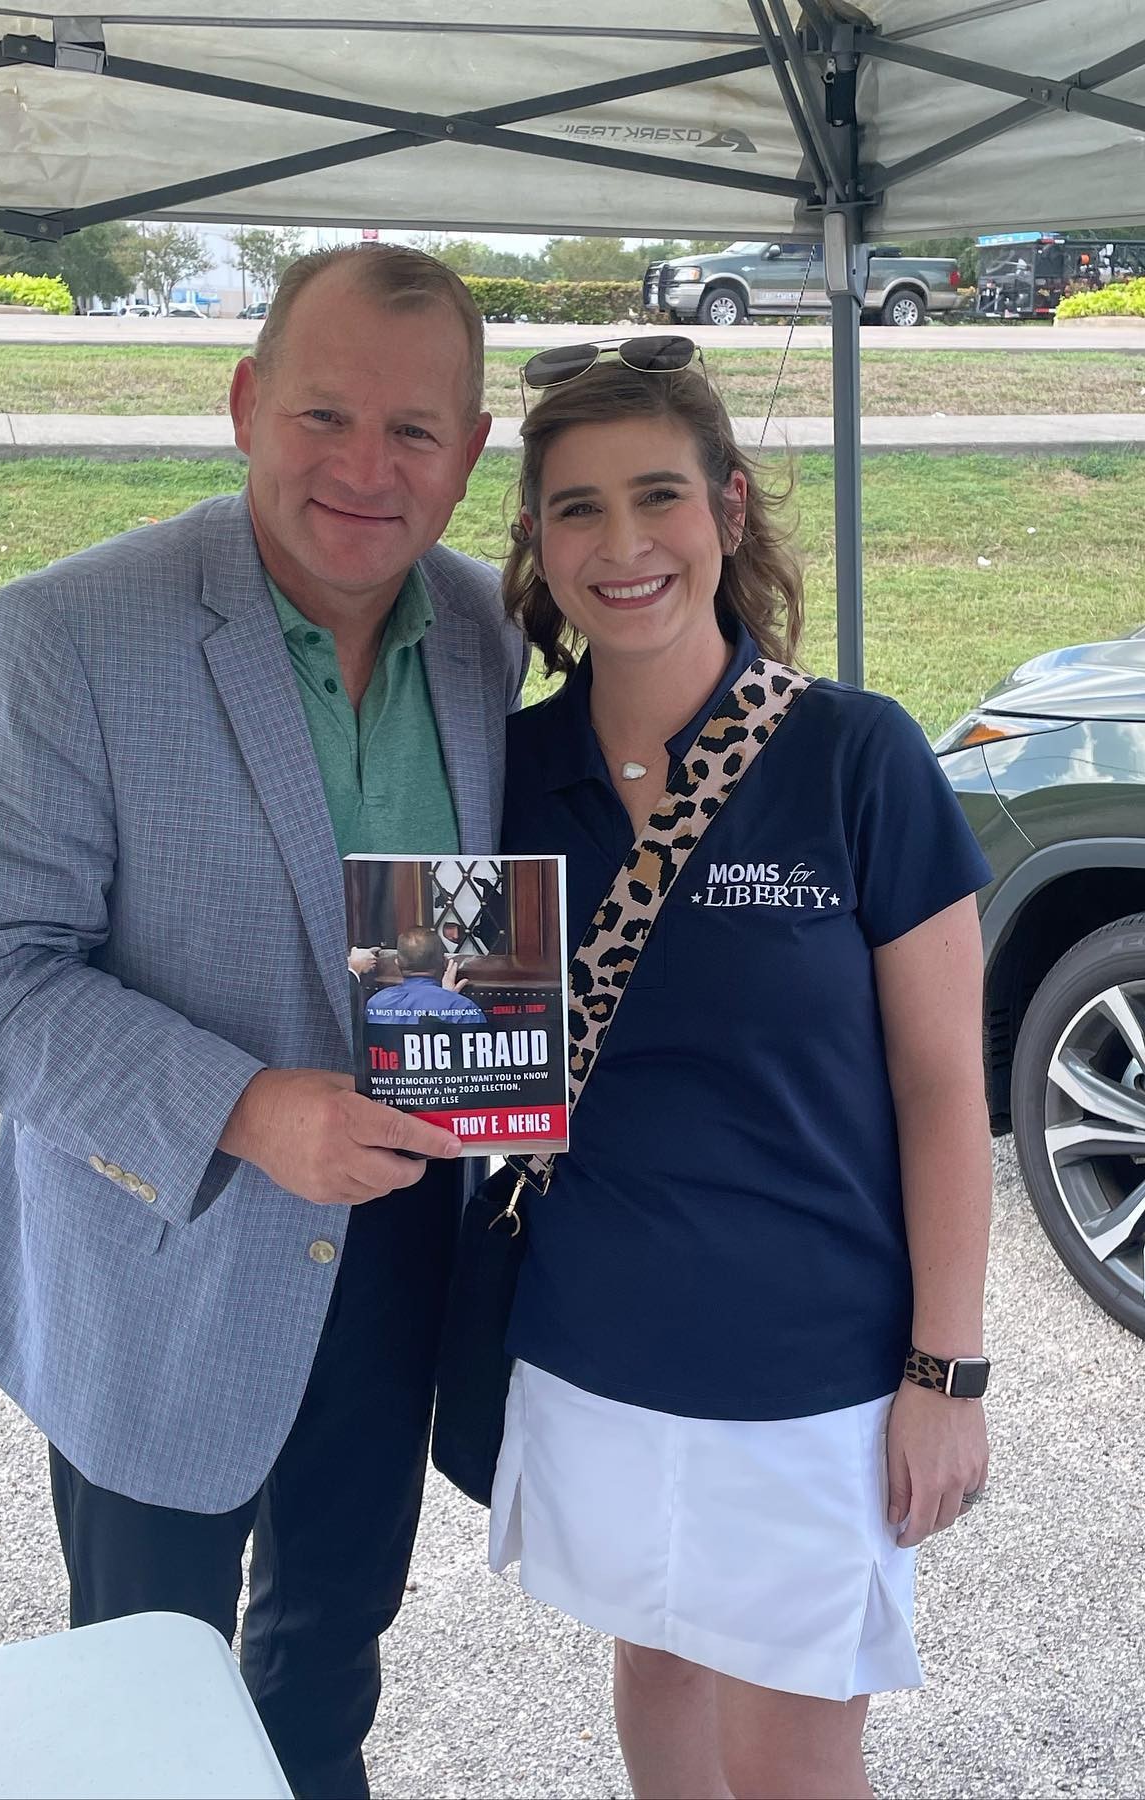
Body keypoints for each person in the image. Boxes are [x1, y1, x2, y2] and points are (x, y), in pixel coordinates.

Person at [0, 244, 526, 1800]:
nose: (366, 470)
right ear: (246, 405)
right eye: (324, 416)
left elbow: (488, 919)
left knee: (327, 1664)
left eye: (415, 432)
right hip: (165, 1272)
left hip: (399, 1256)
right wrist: (247, 1108)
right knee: (144, 1710)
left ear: (471, 452)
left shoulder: (486, 637)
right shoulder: (67, 637)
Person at [490, 341, 993, 1800]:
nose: (624, 544)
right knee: (653, 1661)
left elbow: (944, 1090)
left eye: (658, 496)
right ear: (537, 540)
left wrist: (945, 1371)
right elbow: (468, 1068)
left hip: (811, 1370)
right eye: (576, 509)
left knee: (792, 1734)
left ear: (728, 502)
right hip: (592, 1345)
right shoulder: (503, 770)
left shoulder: (856, 757)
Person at [364, 925, 486, 1025]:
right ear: (444, 962)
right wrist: (448, 999)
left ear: (397, 963)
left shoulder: (377, 1004)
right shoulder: (463, 1009)